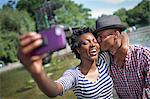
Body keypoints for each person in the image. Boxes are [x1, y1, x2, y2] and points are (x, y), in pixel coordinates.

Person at [17, 27, 113, 98]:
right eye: (85, 43)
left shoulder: (104, 60)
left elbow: (118, 39)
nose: (93, 45)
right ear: (78, 50)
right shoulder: (74, 75)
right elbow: (55, 90)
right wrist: (38, 73)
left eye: (94, 41)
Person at [94, 15, 150, 99]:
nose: (98, 40)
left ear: (116, 34)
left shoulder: (144, 56)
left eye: (101, 36)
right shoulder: (106, 61)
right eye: (97, 37)